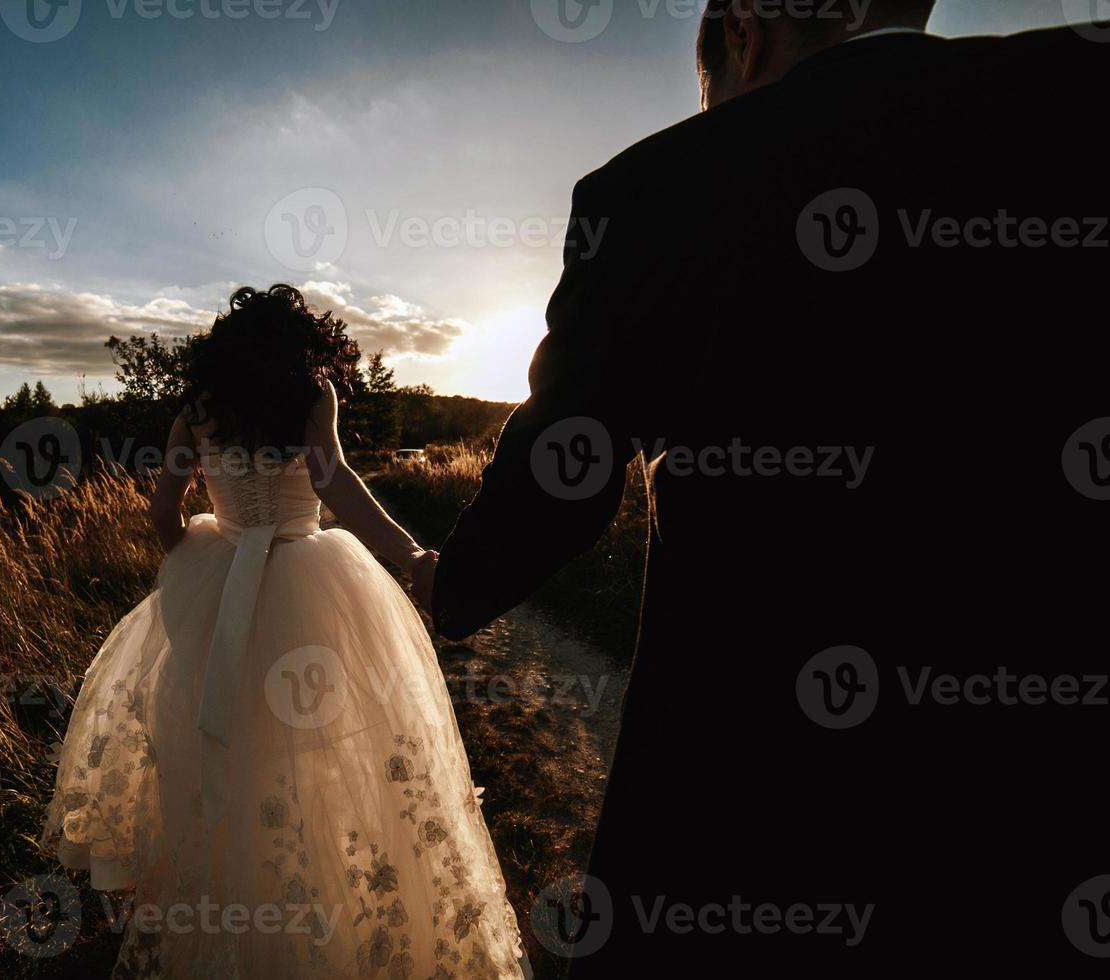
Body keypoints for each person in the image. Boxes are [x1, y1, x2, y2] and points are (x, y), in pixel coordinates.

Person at [420, 1, 1108, 968]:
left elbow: (563, 476)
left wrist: (447, 587)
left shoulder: (653, 188)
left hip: (741, 812)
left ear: (742, 35)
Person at [42, 285, 529, 978]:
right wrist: (413, 556)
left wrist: (190, 557)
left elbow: (161, 513)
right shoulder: (311, 395)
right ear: (303, 345)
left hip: (213, 577)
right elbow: (334, 482)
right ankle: (315, 890)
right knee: (323, 739)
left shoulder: (197, 412)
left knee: (221, 738)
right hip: (312, 574)